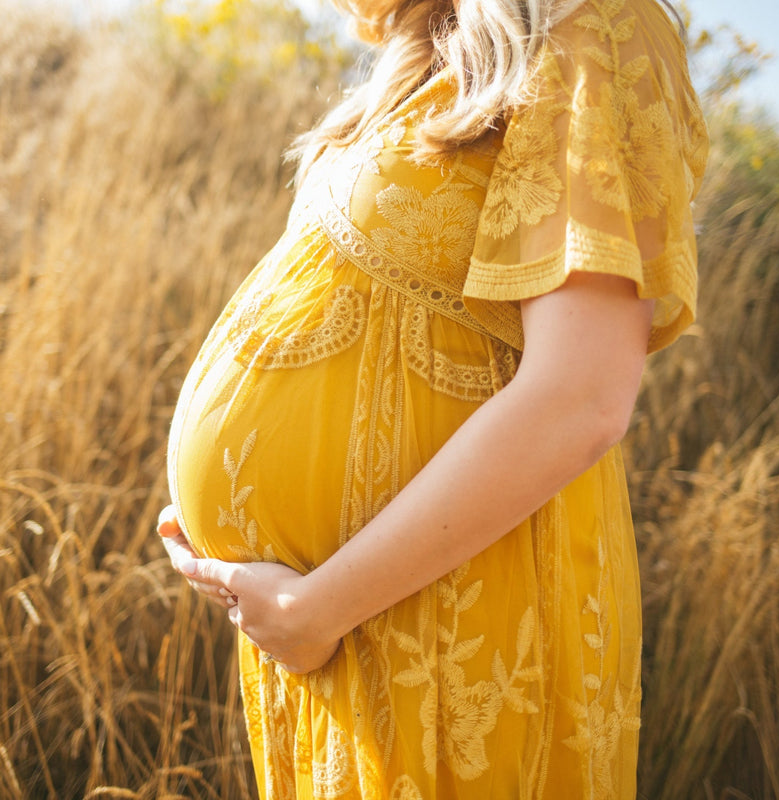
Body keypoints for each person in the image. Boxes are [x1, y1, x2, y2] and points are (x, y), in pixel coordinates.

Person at [157, 0, 708, 796]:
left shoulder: (601, 28)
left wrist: (318, 608)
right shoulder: (425, 54)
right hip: (342, 621)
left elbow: (581, 395)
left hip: (455, 621)